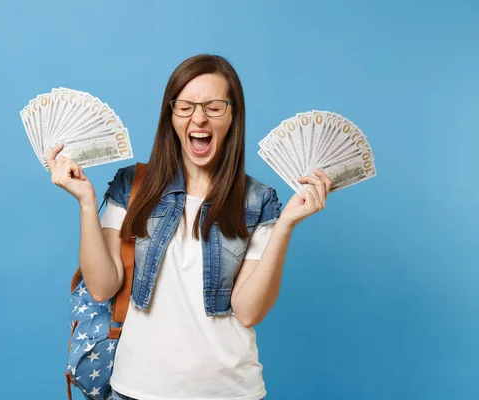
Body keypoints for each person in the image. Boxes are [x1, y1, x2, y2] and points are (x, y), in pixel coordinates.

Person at [46, 54, 332, 400]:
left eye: (213, 107)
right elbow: (103, 287)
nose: (199, 117)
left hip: (230, 392)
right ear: (171, 115)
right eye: (185, 107)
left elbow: (248, 310)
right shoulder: (132, 186)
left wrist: (285, 225)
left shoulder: (258, 201)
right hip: (136, 389)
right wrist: (87, 202)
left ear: (232, 116)